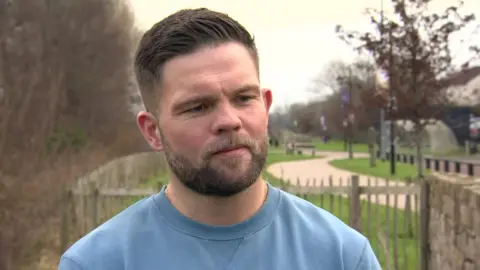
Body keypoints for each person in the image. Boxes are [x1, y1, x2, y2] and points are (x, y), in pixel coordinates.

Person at [58, 8, 381, 270]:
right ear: (153, 131)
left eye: (244, 98)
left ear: (266, 107)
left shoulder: (341, 256)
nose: (229, 121)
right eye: (198, 106)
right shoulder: (96, 262)